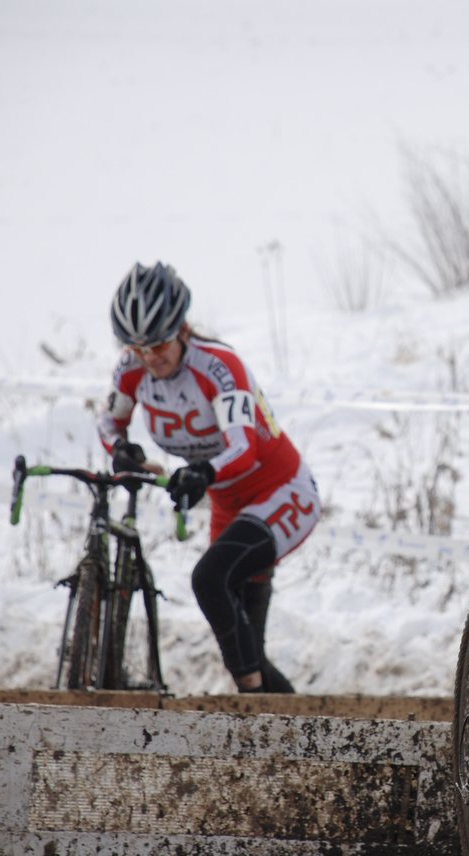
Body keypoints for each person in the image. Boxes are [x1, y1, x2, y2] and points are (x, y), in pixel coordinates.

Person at [97, 262, 320, 693]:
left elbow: (243, 448)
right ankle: (289, 726)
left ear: (181, 329)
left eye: (159, 344)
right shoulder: (131, 370)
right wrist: (121, 451)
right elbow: (109, 424)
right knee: (247, 648)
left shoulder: (218, 366)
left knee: (208, 579)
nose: (150, 358)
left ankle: (253, 706)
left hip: (281, 491)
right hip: (229, 505)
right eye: (137, 348)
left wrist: (202, 471)